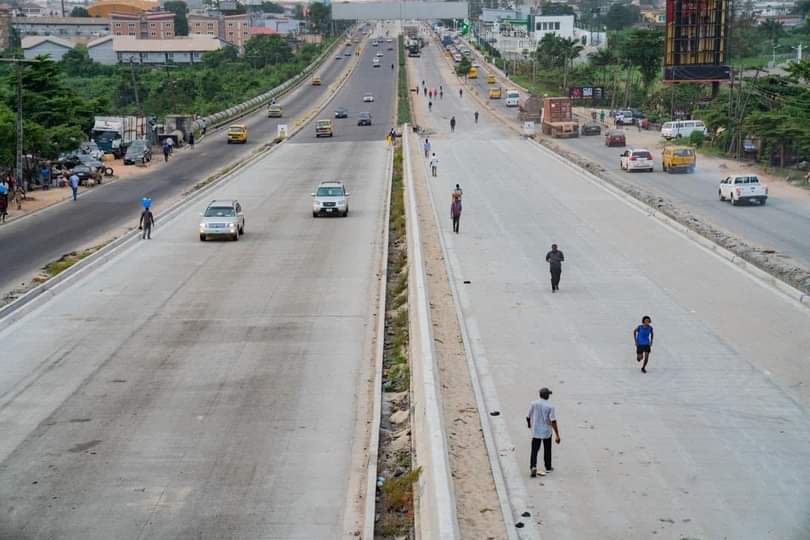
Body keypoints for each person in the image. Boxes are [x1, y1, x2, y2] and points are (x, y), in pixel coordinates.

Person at [526, 387, 560, 477]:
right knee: (547, 449)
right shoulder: (550, 407)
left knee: (534, 450)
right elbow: (553, 421)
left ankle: (533, 466)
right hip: (546, 431)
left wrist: (529, 424)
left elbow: (528, 416)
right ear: (547, 396)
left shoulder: (533, 404)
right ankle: (548, 467)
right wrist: (557, 435)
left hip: (536, 430)